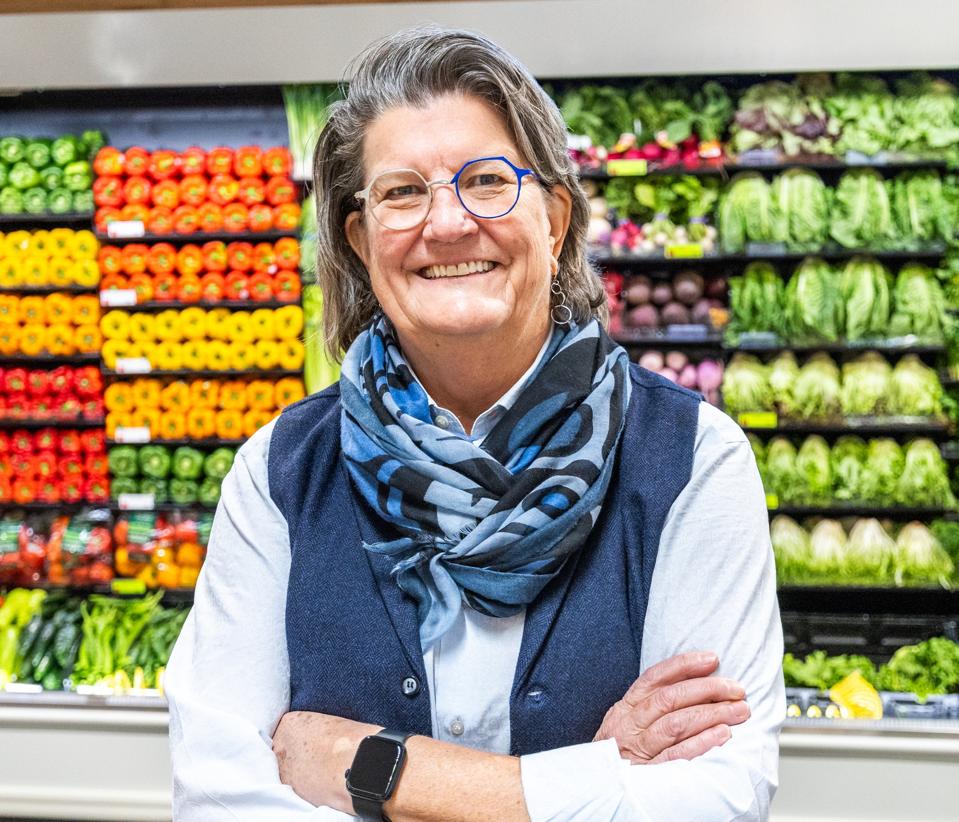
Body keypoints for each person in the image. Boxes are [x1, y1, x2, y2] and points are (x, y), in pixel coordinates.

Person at [166, 25, 784, 821]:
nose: (448, 223)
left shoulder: (692, 458)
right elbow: (219, 798)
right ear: (359, 242)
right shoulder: (281, 470)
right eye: (401, 192)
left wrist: (380, 773)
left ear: (555, 221)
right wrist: (595, 778)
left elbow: (716, 799)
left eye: (487, 181)